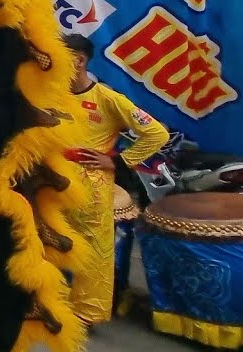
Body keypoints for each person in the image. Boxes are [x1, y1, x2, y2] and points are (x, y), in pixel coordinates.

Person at [63, 33, 170, 326]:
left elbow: (157, 133)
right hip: (52, 181)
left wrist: (118, 161)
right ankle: (48, 304)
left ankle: (85, 314)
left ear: (79, 60)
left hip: (91, 184)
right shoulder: (50, 94)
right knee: (46, 244)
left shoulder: (108, 99)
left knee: (94, 251)